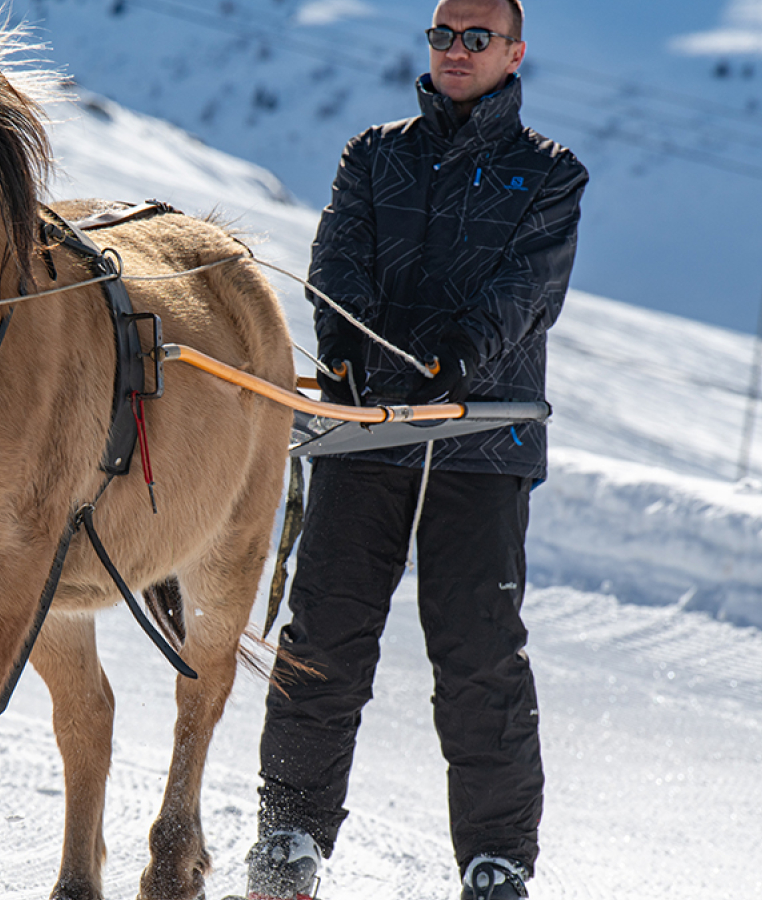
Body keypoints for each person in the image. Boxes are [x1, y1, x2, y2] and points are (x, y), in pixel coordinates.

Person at [246, 2, 587, 899]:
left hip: (481, 445)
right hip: (366, 435)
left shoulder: (550, 175)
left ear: (515, 52)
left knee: (478, 657)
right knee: (324, 636)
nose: (457, 50)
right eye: (443, 34)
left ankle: (497, 860)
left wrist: (454, 366)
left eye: (478, 37)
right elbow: (338, 261)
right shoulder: (373, 154)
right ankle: (290, 836)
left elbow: (527, 293)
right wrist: (357, 355)